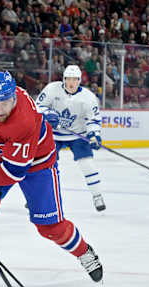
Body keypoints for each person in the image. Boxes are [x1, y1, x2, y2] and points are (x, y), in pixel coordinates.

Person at [0, 69, 103, 287]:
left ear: (14, 97)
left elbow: (13, 171)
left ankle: (84, 252)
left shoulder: (23, 121)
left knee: (50, 228)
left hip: (37, 164)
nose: (0, 110)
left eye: (6, 103)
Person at [36, 65, 105, 211]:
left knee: (87, 164)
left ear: (79, 80)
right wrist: (48, 114)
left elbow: (93, 120)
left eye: (74, 79)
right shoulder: (52, 89)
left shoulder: (88, 98)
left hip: (78, 134)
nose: (71, 83)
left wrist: (94, 134)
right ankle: (39, 196)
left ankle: (97, 195)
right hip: (53, 134)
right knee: (46, 165)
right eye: (68, 79)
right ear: (63, 79)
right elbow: (38, 106)